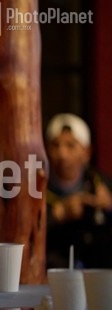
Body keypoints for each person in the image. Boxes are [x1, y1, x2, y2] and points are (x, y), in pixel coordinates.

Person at [45, 113, 112, 269]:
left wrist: (109, 206)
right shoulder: (36, 187)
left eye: (70, 145)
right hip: (52, 271)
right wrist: (59, 214)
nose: (62, 154)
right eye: (55, 145)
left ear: (87, 152)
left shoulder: (101, 184)